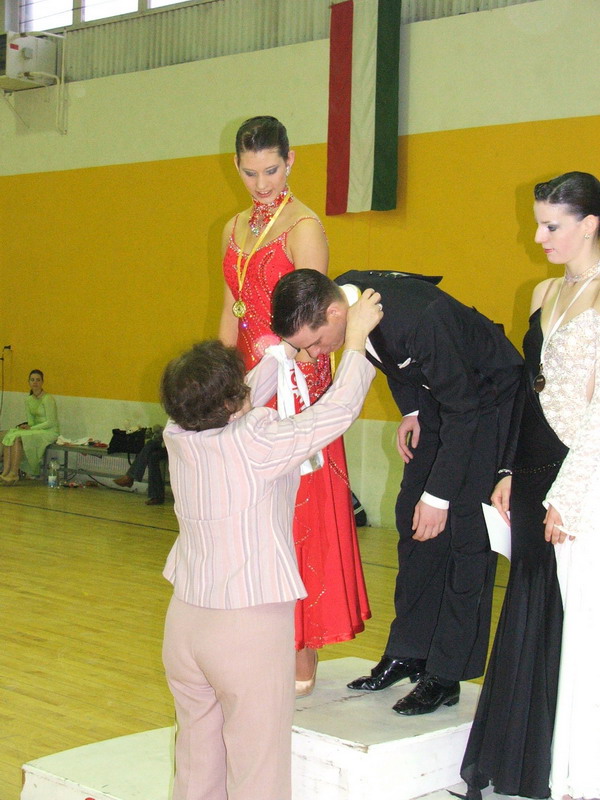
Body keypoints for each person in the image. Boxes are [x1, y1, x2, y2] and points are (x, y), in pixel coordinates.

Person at [160, 290, 381, 800]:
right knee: (258, 769)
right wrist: (356, 342)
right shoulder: (255, 442)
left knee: (196, 761)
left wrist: (282, 354)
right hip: (246, 627)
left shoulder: (178, 433)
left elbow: (235, 401)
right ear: (232, 402)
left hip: (185, 624)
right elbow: (338, 411)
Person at [271, 268, 523, 715]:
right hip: (441, 403)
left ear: (335, 313)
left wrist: (439, 497)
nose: (314, 353)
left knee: (465, 538)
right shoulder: (350, 296)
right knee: (414, 523)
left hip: (488, 405)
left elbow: (465, 408)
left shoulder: (421, 318)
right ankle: (409, 651)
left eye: (315, 341)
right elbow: (391, 356)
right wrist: (412, 411)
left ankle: (446, 674)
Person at [461, 171, 600, 800]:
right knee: (528, 608)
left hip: (581, 473)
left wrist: (568, 497)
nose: (539, 237)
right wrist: (509, 470)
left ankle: (569, 767)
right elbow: (526, 391)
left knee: (573, 615)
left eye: (551, 226)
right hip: (533, 469)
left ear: (589, 224)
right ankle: (523, 763)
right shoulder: (545, 291)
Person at [220, 115, 370, 694]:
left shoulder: (304, 226)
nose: (261, 184)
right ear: (237, 167)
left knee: (297, 514)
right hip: (247, 384)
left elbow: (313, 321)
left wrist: (284, 380)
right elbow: (230, 309)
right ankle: (257, 638)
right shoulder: (233, 227)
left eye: (271, 170)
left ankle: (301, 649)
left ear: (290, 161)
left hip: (295, 384)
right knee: (249, 517)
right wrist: (224, 382)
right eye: (250, 172)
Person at [1, 369, 59, 485]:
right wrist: (27, 426)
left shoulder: (48, 398)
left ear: (42, 382)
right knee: (11, 435)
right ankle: (5, 471)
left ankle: (14, 473)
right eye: (32, 380)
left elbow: (51, 422)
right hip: (36, 430)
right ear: (29, 382)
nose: (35, 382)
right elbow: (31, 422)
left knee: (18, 438)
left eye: (38, 380)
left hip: (49, 431)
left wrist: (31, 429)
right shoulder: (28, 400)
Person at [113, 426, 167, 505]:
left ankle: (130, 477)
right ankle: (156, 496)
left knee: (150, 443)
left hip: (177, 447)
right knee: (152, 457)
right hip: (168, 445)